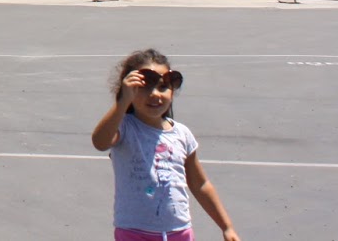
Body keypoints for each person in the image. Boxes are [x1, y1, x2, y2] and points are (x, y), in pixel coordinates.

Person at [91, 48, 241, 241]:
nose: (154, 94)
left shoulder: (181, 134)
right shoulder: (124, 128)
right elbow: (100, 142)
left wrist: (226, 226)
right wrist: (122, 103)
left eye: (163, 87)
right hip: (135, 233)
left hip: (179, 231)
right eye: (144, 87)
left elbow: (200, 183)